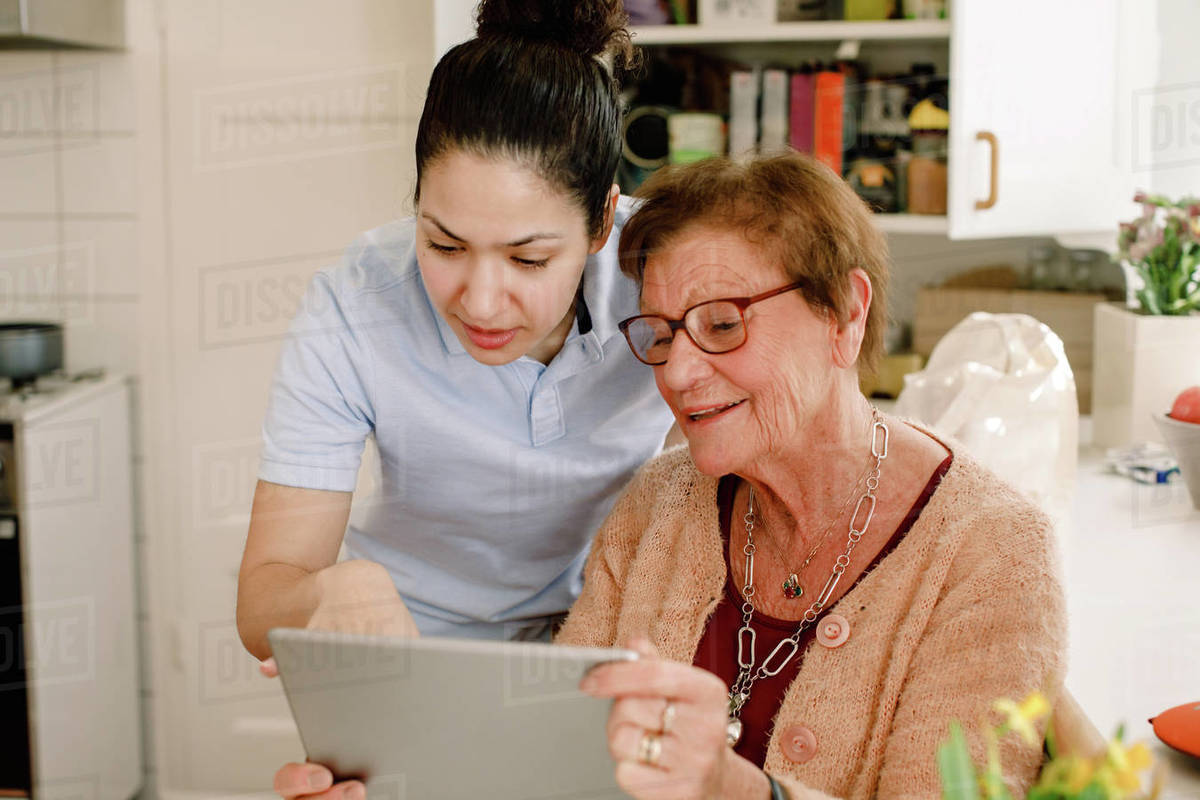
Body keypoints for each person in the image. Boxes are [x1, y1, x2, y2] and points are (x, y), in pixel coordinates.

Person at [270, 153, 1068, 800]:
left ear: (845, 315)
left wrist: (734, 790)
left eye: (722, 324)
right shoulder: (659, 501)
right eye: (659, 333)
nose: (680, 373)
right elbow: (553, 779)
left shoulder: (993, 553)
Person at [236, 0, 675, 661]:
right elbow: (262, 607)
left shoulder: (667, 274)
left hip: (610, 637)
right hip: (411, 646)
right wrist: (332, 593)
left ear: (601, 221)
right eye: (444, 246)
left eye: (528, 259)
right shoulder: (354, 304)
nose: (482, 302)